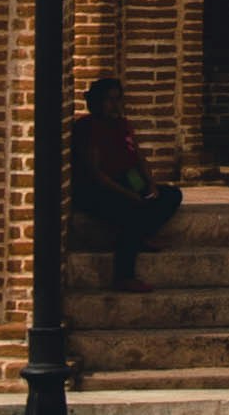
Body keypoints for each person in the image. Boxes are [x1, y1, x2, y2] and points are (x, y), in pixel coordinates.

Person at [70, 74, 183, 289]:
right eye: (109, 100)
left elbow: (138, 157)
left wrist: (150, 184)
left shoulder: (122, 124)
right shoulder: (88, 127)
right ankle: (124, 276)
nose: (114, 105)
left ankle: (142, 234)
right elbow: (96, 173)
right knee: (131, 214)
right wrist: (128, 194)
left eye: (117, 99)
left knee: (171, 195)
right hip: (99, 189)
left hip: (128, 180)